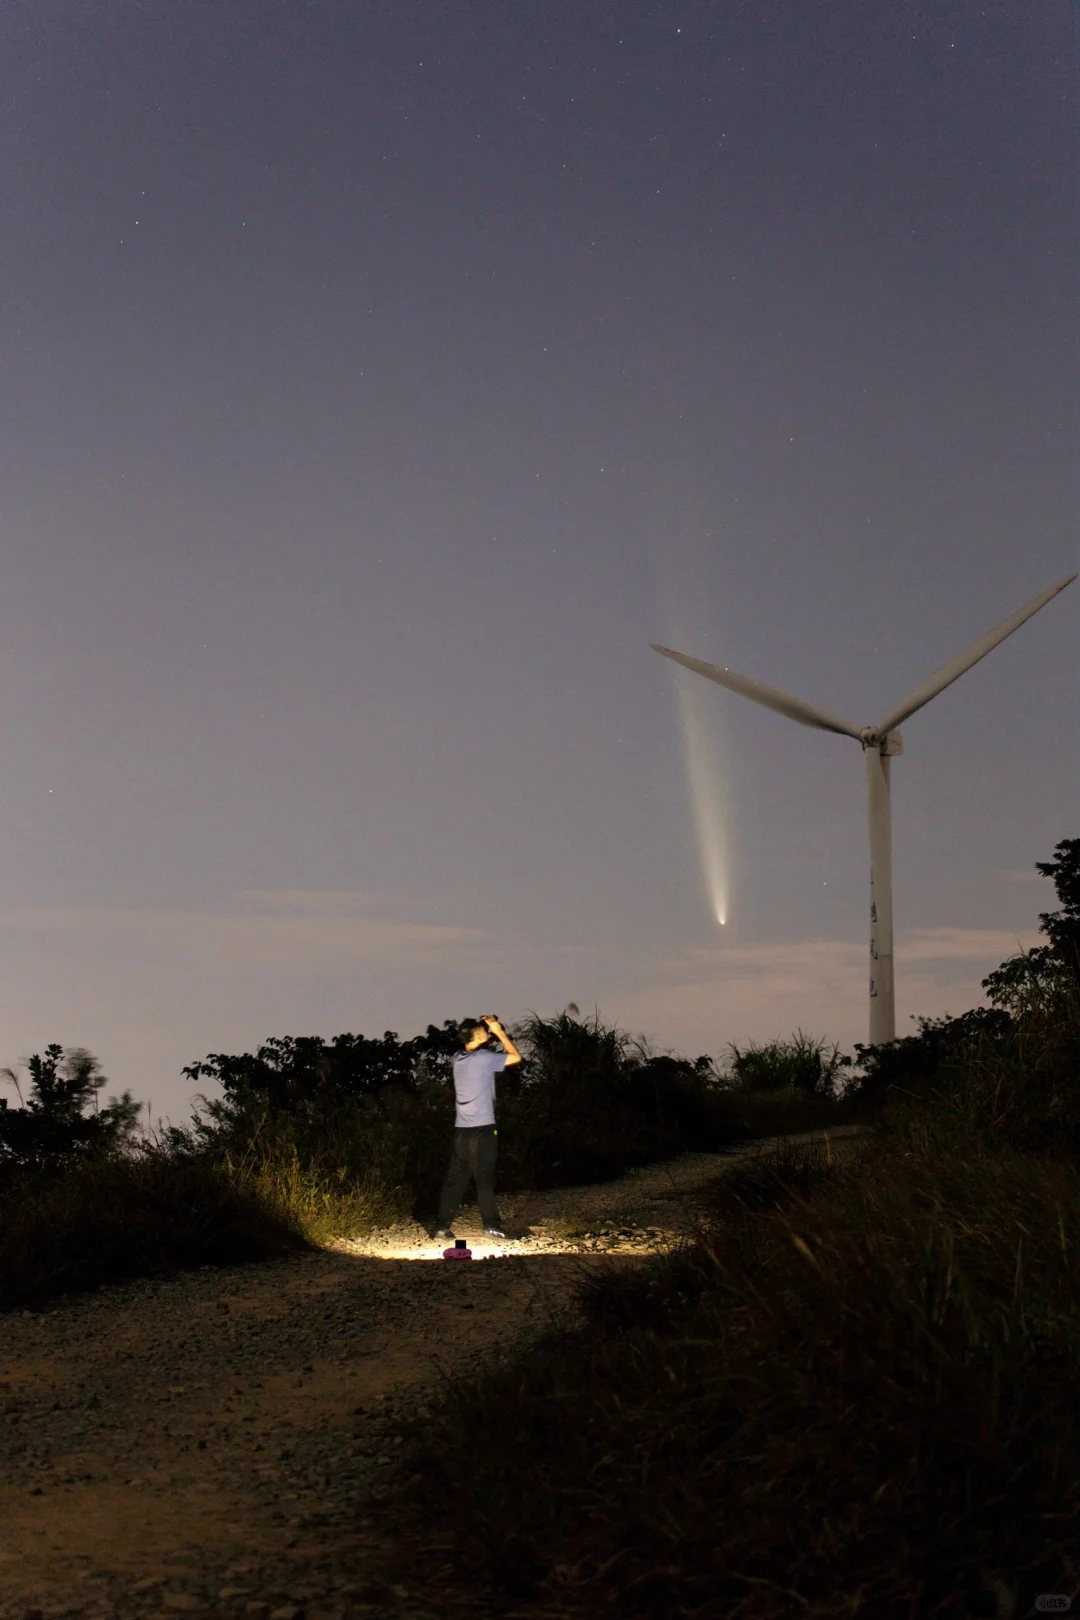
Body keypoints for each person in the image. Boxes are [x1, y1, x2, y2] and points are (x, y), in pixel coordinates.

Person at [433, 1014, 522, 1241]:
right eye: (482, 1030)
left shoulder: (457, 1057)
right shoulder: (483, 1058)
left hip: (461, 1131)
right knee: (484, 1179)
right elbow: (515, 1057)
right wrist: (500, 1032)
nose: (486, 1031)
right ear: (478, 1035)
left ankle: (442, 1228)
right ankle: (491, 1227)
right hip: (481, 1130)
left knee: (455, 1180)